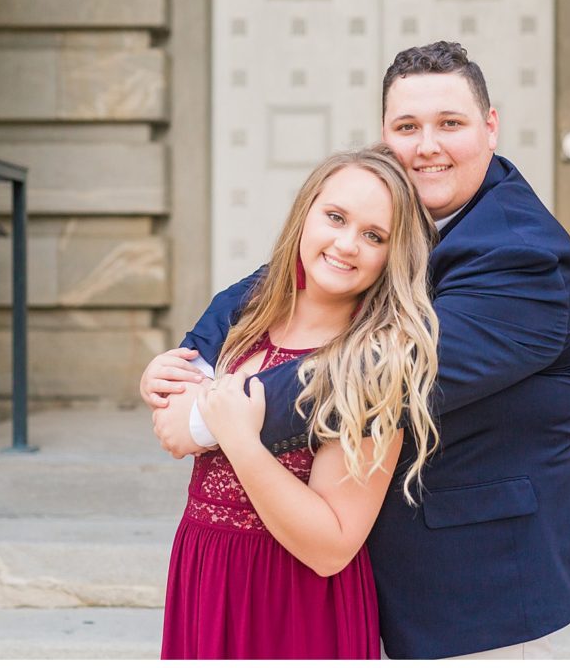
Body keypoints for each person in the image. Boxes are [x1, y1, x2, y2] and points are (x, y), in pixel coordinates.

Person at [144, 41, 570, 660]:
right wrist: (187, 365)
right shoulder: (382, 209)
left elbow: (388, 374)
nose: (426, 146)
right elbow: (281, 278)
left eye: (451, 124)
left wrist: (206, 419)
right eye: (407, 126)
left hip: (475, 581)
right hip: (333, 564)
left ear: (491, 127)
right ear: (384, 133)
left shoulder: (523, 255)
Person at [155, 144, 440, 659]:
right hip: (207, 573)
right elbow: (174, 429)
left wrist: (241, 442)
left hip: (296, 597)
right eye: (335, 217)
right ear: (305, 212)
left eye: (374, 236)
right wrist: (157, 378)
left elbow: (332, 547)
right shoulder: (245, 319)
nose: (347, 244)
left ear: (392, 258)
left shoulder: (374, 365)